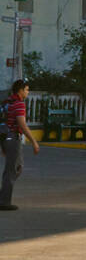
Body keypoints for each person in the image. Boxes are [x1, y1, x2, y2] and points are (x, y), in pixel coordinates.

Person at [0, 78, 40, 211]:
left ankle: (3, 196)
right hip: (13, 138)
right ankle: (4, 202)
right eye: (27, 89)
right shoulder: (19, 104)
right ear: (20, 90)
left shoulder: (6, 102)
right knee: (12, 170)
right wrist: (34, 141)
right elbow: (22, 124)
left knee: (16, 168)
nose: (28, 92)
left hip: (5, 138)